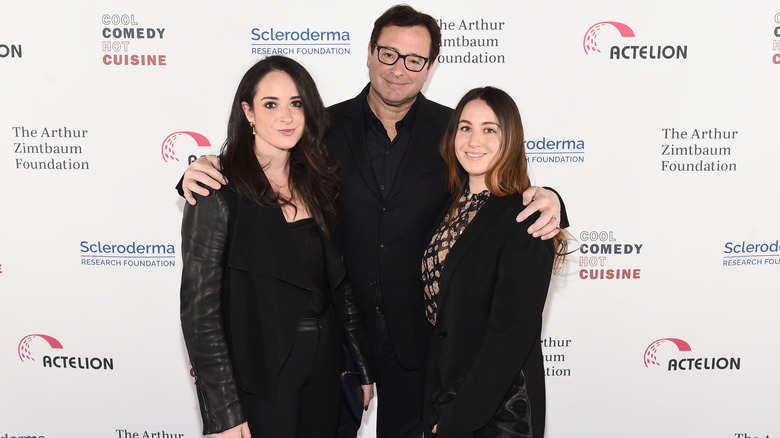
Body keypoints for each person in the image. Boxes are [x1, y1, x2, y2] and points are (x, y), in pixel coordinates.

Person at [178, 6, 568, 437]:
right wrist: (198, 175)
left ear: (430, 67)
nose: (399, 69)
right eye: (388, 54)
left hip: (422, 344)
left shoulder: (452, 131)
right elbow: (263, 170)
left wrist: (552, 199)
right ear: (368, 53)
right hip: (339, 345)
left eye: (414, 59)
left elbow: (489, 195)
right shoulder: (318, 128)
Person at [179, 55, 374, 438]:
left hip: (325, 366)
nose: (286, 116)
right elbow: (200, 313)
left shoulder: (318, 183)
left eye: (296, 103)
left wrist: (361, 367)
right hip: (261, 374)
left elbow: (338, 282)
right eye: (271, 104)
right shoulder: (217, 191)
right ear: (248, 111)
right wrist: (223, 412)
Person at [422, 87, 569, 438]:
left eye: (490, 129)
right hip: (444, 395)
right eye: (465, 127)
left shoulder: (527, 217)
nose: (475, 140)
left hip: (497, 412)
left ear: (510, 140)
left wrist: (460, 419)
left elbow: (511, 336)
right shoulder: (453, 205)